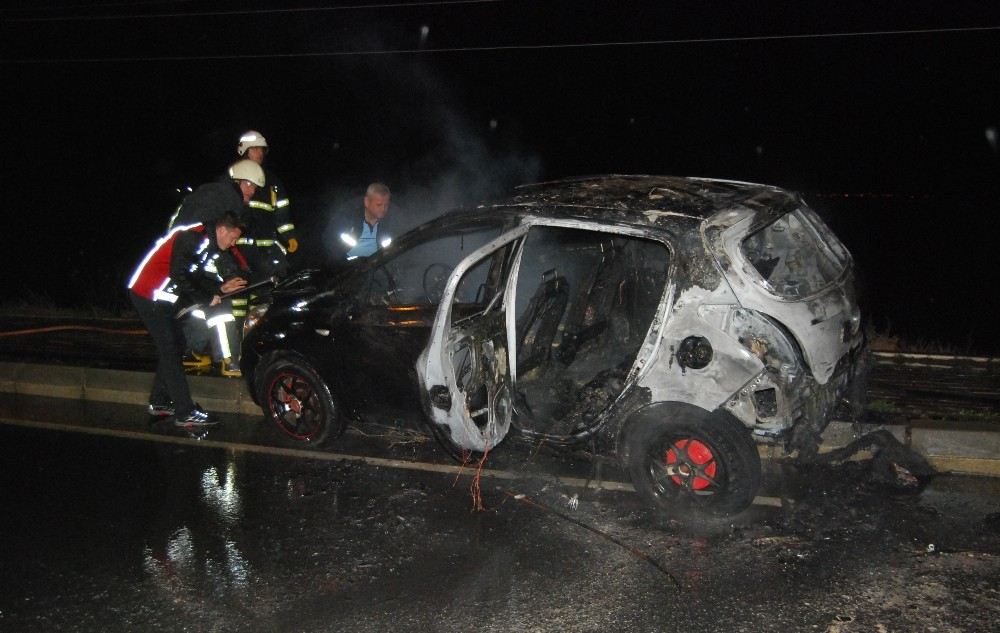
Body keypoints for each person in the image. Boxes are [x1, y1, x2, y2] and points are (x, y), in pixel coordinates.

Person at [127, 211, 248, 428]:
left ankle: (160, 402)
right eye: (233, 238)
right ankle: (185, 412)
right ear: (222, 230)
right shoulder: (192, 238)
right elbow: (179, 275)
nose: (233, 244)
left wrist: (219, 288)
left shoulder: (206, 242)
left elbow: (195, 276)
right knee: (170, 348)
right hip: (148, 295)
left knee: (177, 344)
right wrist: (206, 296)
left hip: (161, 298)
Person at [168, 159, 263, 377]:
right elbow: (214, 247)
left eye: (255, 187)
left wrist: (229, 279)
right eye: (248, 184)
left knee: (209, 304)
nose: (252, 191)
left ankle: (193, 351)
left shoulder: (223, 199)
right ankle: (227, 360)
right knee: (219, 308)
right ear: (237, 180)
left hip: (190, 270)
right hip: (183, 277)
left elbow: (218, 248)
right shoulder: (222, 200)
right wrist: (221, 285)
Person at [235, 130, 298, 280]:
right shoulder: (234, 177)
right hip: (240, 246)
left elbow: (281, 212)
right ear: (244, 151)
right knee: (241, 289)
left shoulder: (272, 182)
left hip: (267, 248)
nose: (260, 153)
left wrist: (289, 236)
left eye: (262, 149)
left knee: (269, 288)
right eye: (255, 149)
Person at [330, 182, 394, 261]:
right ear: (367, 202)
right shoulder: (347, 219)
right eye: (379, 205)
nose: (383, 209)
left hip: (380, 267)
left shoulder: (392, 221)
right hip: (349, 268)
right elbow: (332, 245)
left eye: (386, 205)